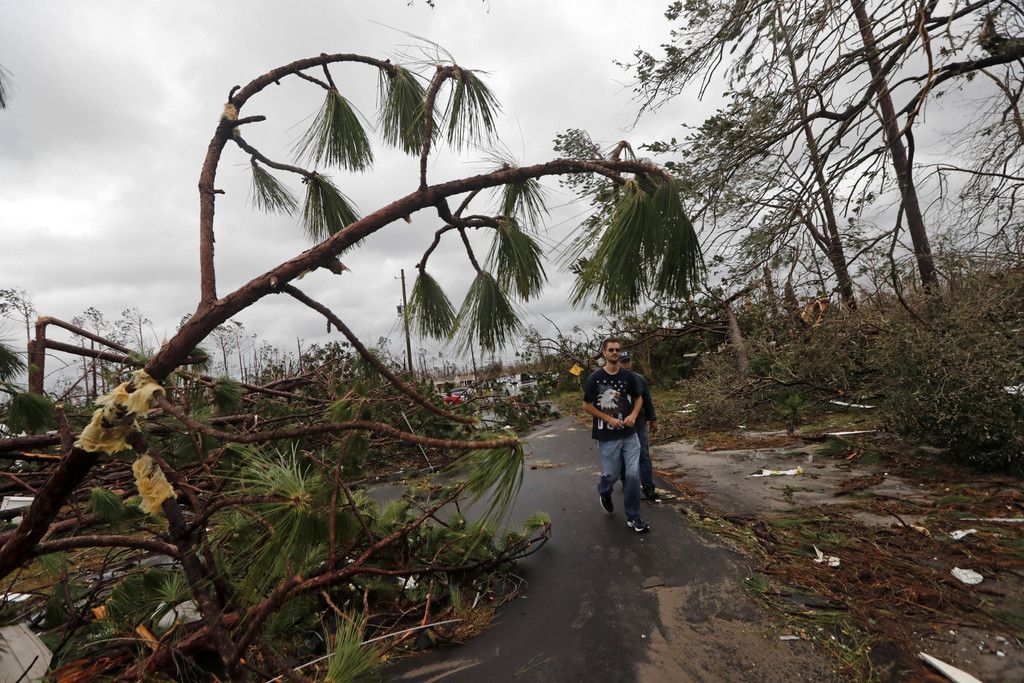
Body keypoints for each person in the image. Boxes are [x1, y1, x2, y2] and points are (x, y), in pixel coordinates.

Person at [583, 338, 650, 533]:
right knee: (611, 474)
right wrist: (609, 419)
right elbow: (586, 406)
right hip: (607, 435)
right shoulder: (595, 378)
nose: (615, 353)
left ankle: (634, 517)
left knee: (633, 475)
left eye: (618, 350)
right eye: (611, 349)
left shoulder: (628, 376)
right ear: (604, 352)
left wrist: (633, 415)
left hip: (630, 434)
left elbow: (639, 399)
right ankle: (604, 491)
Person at [619, 352, 660, 502]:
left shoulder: (640, 379)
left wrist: (653, 419)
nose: (626, 364)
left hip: (639, 423)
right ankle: (627, 484)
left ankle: (648, 488)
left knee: (643, 454)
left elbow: (647, 400)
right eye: (623, 361)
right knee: (623, 456)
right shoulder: (612, 380)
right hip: (621, 426)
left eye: (628, 361)